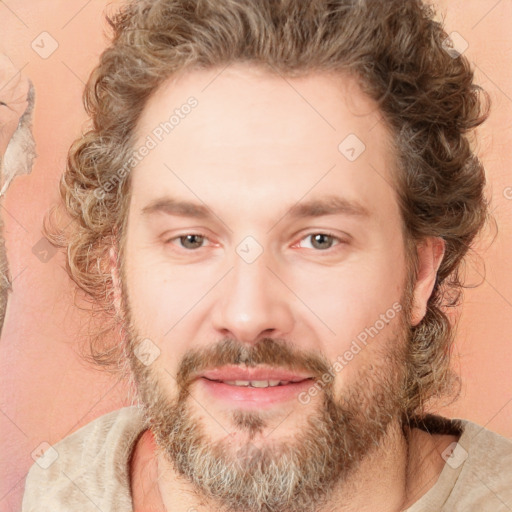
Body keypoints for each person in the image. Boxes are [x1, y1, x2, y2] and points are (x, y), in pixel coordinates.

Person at [21, 0, 512, 511]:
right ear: (116, 272)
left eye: (320, 239)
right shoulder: (63, 487)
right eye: (191, 240)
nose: (248, 316)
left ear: (420, 275)